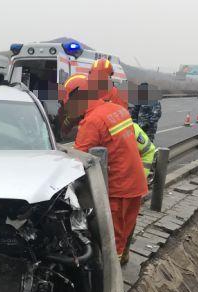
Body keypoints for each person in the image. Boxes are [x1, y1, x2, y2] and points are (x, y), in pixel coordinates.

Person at [63, 75, 148, 263]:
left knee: (113, 239)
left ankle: (113, 281)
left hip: (118, 188)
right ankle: (123, 257)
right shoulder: (117, 109)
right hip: (135, 182)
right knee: (126, 228)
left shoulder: (92, 122)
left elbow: (78, 160)